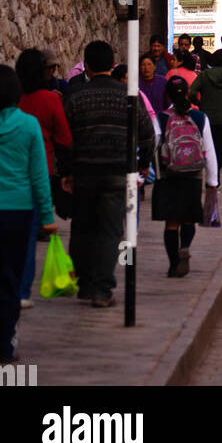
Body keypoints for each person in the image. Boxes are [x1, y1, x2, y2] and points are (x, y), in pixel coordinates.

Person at [64, 40, 155, 307]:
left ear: (87, 66)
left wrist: (67, 171)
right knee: (109, 230)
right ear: (113, 64)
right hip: (117, 173)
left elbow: (66, 139)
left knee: (82, 228)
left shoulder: (76, 96)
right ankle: (103, 289)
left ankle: (85, 284)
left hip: (84, 172)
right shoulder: (128, 95)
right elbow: (147, 134)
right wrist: (144, 164)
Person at [0, 65, 58, 361]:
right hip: (18, 212)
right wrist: (47, 215)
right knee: (11, 278)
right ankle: (5, 343)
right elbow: (39, 177)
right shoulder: (29, 126)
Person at [15, 48, 72, 308]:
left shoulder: (11, 101)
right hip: (41, 172)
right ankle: (22, 290)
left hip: (8, 176)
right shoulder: (50, 100)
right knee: (27, 239)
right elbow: (64, 139)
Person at [153, 76, 218, 278]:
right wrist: (212, 182)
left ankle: (174, 264)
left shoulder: (161, 118)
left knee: (171, 222)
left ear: (168, 95)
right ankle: (185, 246)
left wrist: (149, 173)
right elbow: (209, 151)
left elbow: (154, 146)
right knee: (188, 220)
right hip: (193, 175)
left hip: (168, 176)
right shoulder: (200, 118)